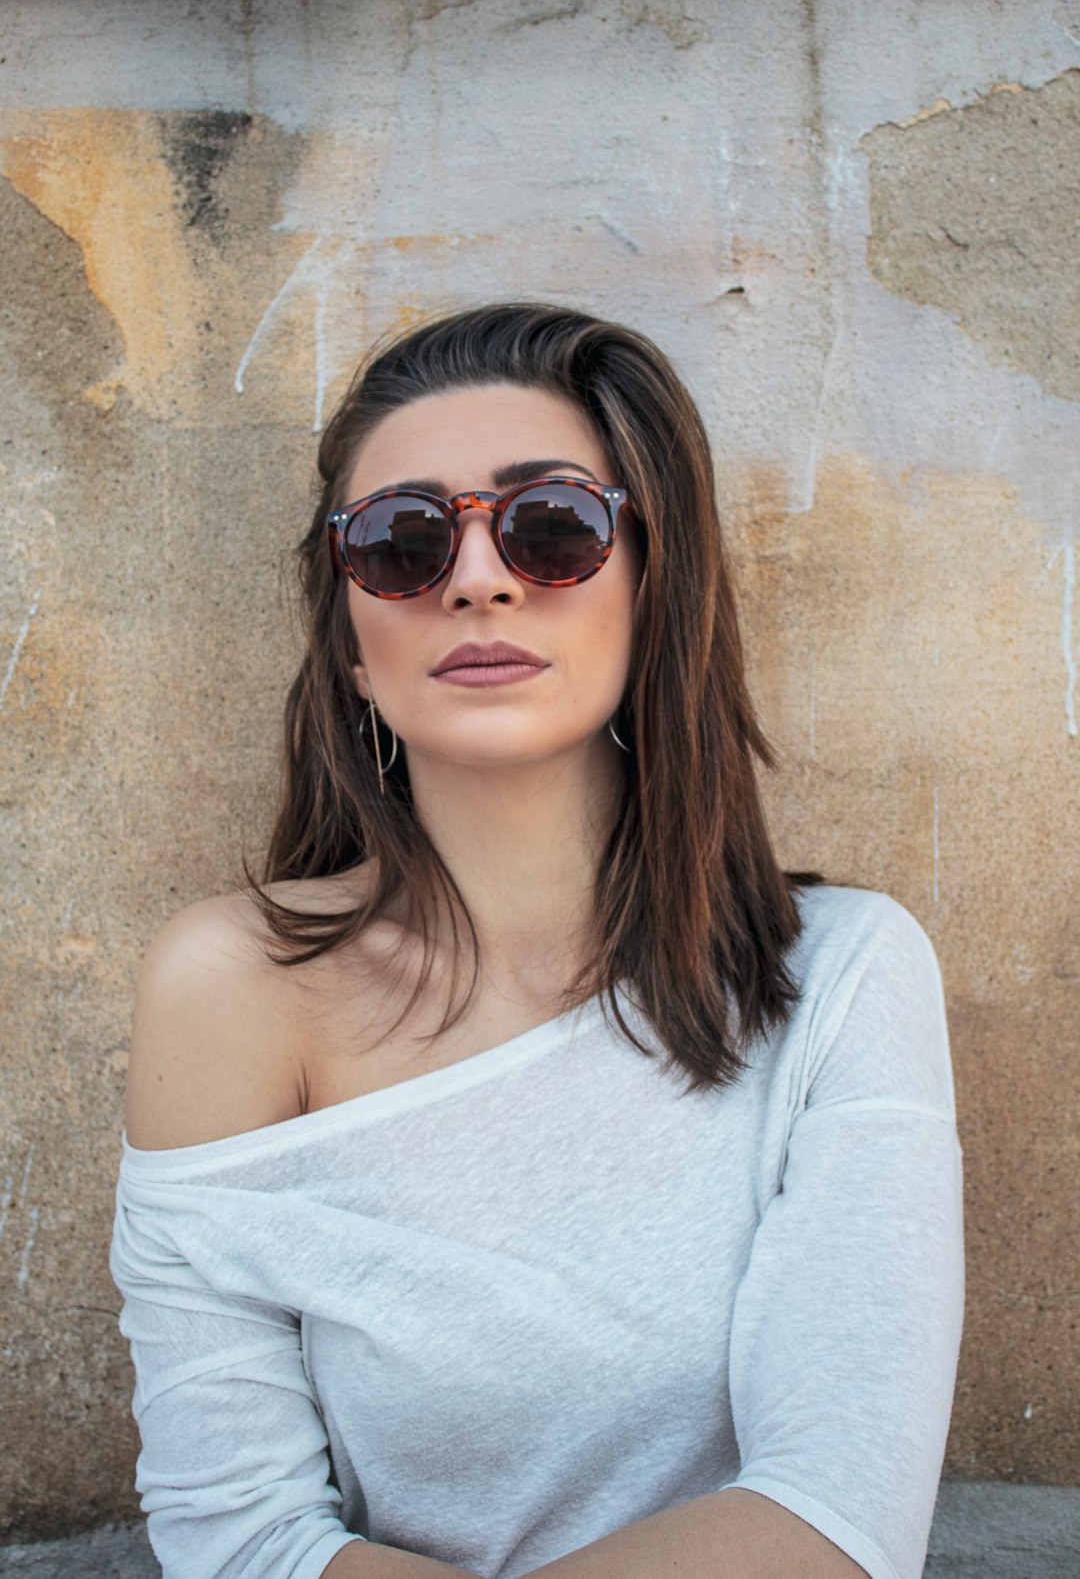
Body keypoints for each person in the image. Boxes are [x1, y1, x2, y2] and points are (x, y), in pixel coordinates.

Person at [110, 303, 964, 1579]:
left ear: (654, 580)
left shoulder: (839, 978)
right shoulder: (235, 992)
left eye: (550, 525)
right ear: (349, 642)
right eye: (401, 541)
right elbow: (238, 1540)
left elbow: (837, 1517)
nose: (477, 577)